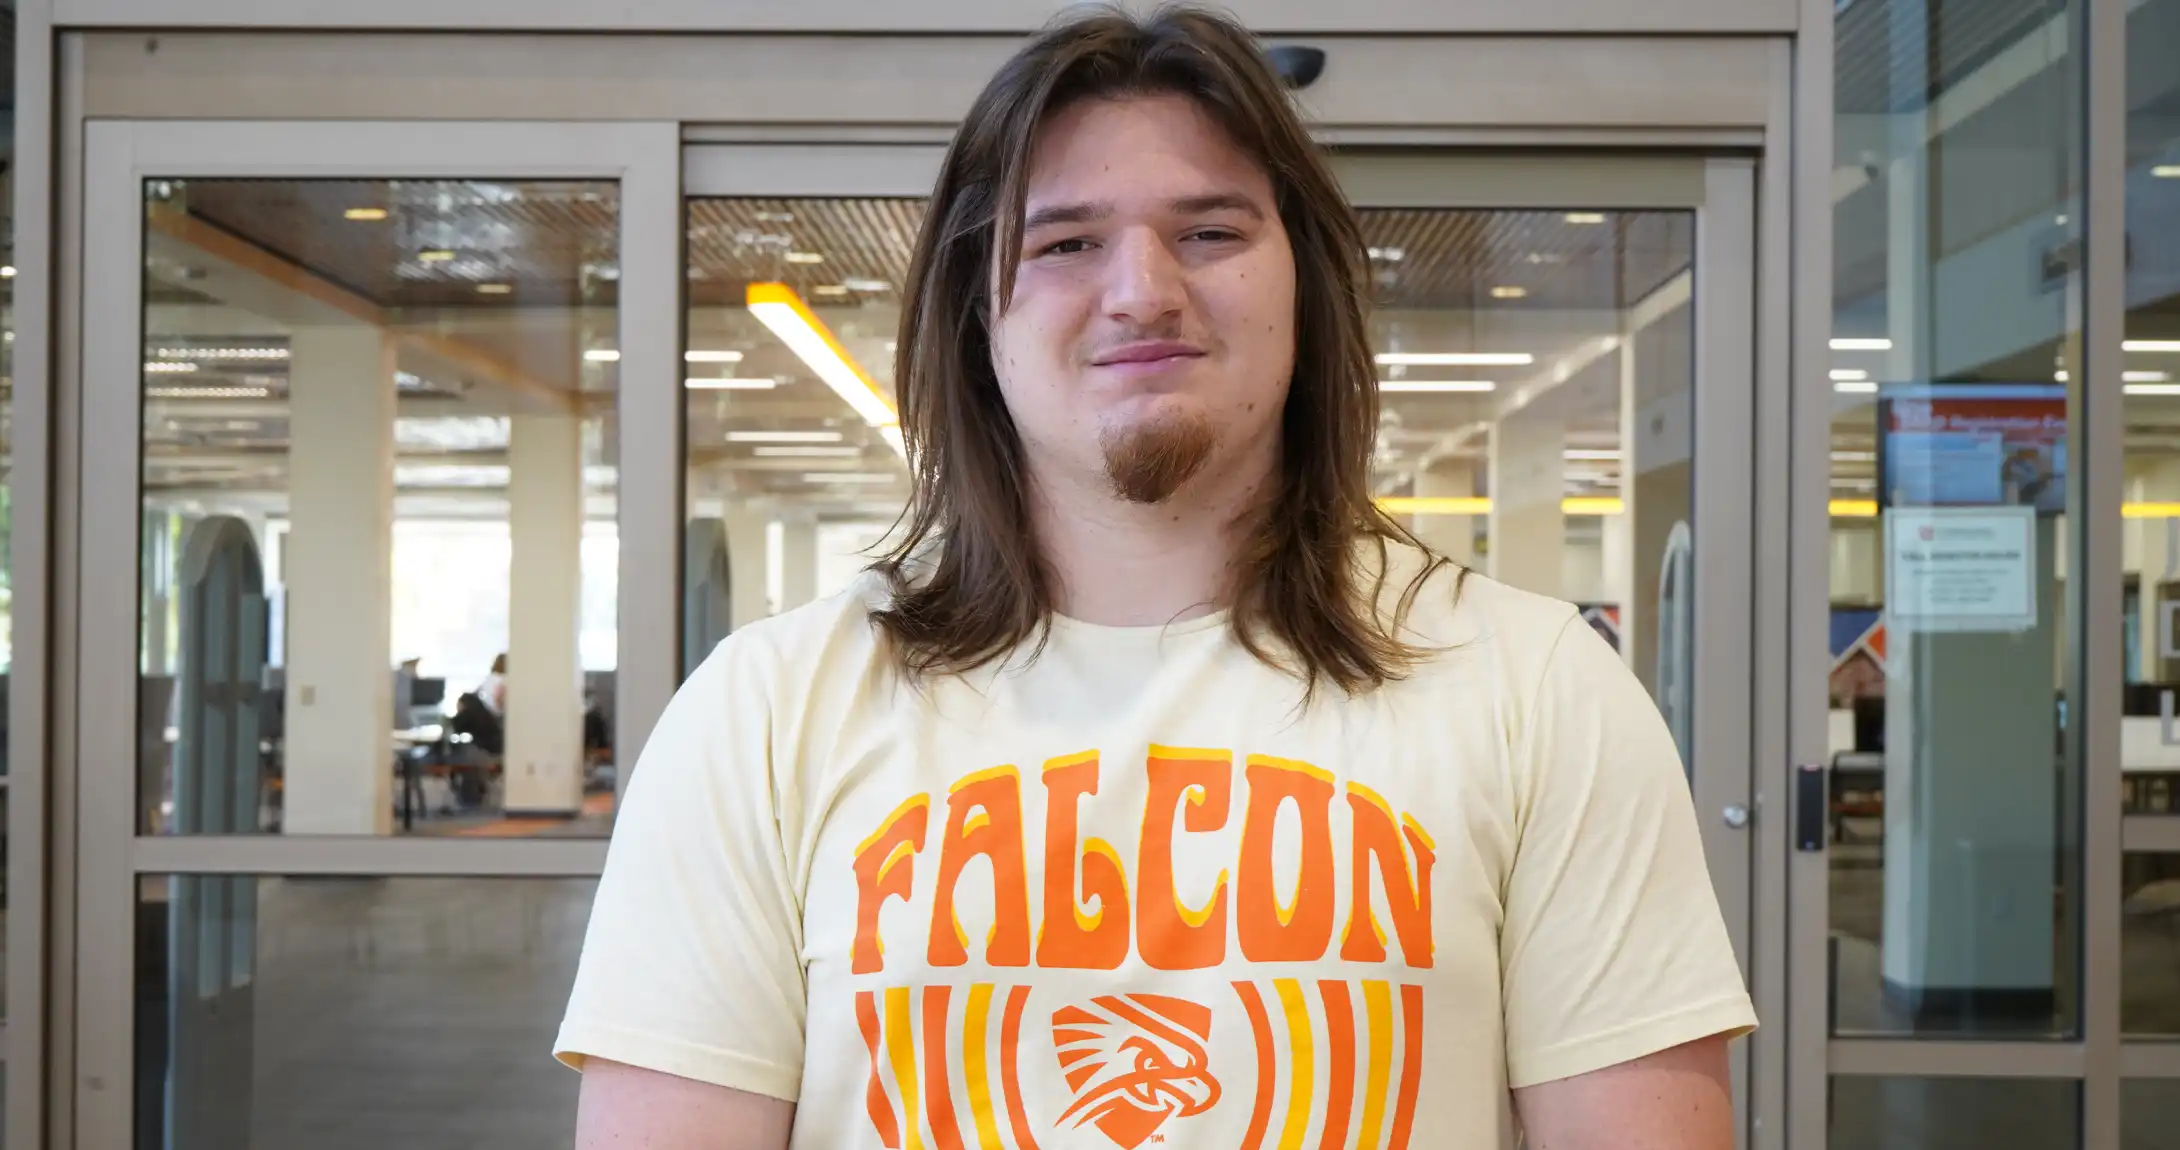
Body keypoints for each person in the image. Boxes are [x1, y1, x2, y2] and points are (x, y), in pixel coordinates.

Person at [556, 7, 1755, 1149]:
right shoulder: (761, 715)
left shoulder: (1537, 690)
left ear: (1304, 287)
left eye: (1210, 232)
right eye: (1066, 241)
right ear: (978, 313)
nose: (1141, 289)